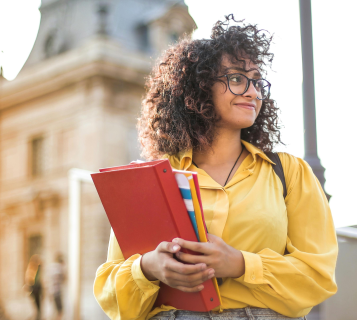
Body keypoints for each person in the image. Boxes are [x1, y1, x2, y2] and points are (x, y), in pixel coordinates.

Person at [94, 15, 338, 320]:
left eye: (257, 80)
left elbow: (318, 277)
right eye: (237, 78)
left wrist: (240, 264)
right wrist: (149, 268)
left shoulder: (289, 173)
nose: (253, 91)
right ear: (199, 87)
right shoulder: (154, 179)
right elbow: (112, 295)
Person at [25, 254, 42, 320]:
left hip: (37, 288)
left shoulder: (37, 269)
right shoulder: (31, 268)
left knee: (38, 304)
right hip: (34, 288)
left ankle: (38, 315)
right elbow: (30, 279)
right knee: (35, 304)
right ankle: (36, 315)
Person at [50, 253, 66, 320]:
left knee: (56, 311)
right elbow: (63, 278)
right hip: (57, 292)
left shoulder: (52, 267)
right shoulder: (58, 268)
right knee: (59, 311)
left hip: (52, 292)